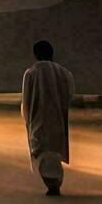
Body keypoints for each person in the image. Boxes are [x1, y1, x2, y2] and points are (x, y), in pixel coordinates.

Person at [21, 40, 73, 195]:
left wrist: (27, 118)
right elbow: (69, 94)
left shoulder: (31, 73)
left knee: (43, 152)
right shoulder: (64, 72)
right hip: (57, 119)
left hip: (38, 119)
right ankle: (54, 184)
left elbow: (26, 99)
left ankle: (53, 185)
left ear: (35, 54)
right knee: (53, 152)